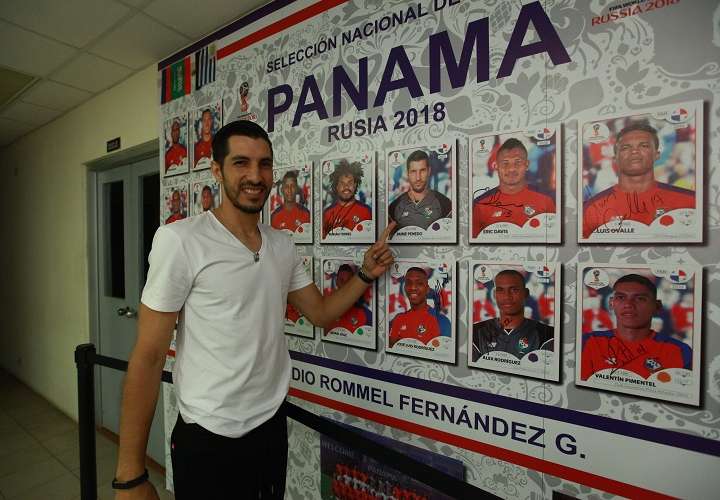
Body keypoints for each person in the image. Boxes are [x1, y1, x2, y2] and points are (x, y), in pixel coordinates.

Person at [113, 120, 395, 499]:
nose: (254, 175)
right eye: (240, 163)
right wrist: (130, 475)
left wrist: (365, 272)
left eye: (264, 164)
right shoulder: (181, 240)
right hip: (208, 439)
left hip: (270, 429)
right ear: (216, 170)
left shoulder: (282, 245)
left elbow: (322, 313)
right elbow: (147, 357)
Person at [582, 122, 695, 238]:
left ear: (657, 154)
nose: (634, 151)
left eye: (643, 146)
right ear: (615, 157)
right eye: (626, 147)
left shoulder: (690, 201)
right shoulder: (590, 209)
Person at [581, 274, 692, 380]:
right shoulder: (588, 342)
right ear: (611, 303)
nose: (628, 304)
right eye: (621, 297)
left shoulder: (680, 351)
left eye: (640, 299)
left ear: (657, 306)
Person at [472, 138, 556, 237]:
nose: (511, 169)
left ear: (527, 165)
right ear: (496, 166)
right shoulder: (480, 204)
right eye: (505, 163)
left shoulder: (547, 200)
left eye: (518, 162)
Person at [471, 270, 553, 361]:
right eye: (500, 290)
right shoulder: (476, 332)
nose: (507, 297)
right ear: (494, 295)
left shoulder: (547, 335)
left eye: (514, 290)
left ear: (526, 293)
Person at [387, 150, 451, 233]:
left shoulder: (444, 203)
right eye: (413, 171)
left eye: (422, 170)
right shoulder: (394, 207)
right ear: (407, 173)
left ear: (429, 171)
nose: (418, 178)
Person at [388, 267, 450, 348]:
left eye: (419, 283)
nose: (413, 287)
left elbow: (445, 354)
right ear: (404, 288)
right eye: (409, 283)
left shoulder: (441, 321)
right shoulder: (397, 319)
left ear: (427, 289)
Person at [322, 159, 372, 237]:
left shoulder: (367, 211)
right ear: (337, 186)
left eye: (350, 182)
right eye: (342, 183)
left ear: (355, 185)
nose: (346, 186)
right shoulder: (327, 213)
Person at [326, 264, 372, 334]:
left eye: (348, 281)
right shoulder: (326, 310)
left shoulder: (366, 315)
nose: (345, 285)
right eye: (342, 280)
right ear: (336, 281)